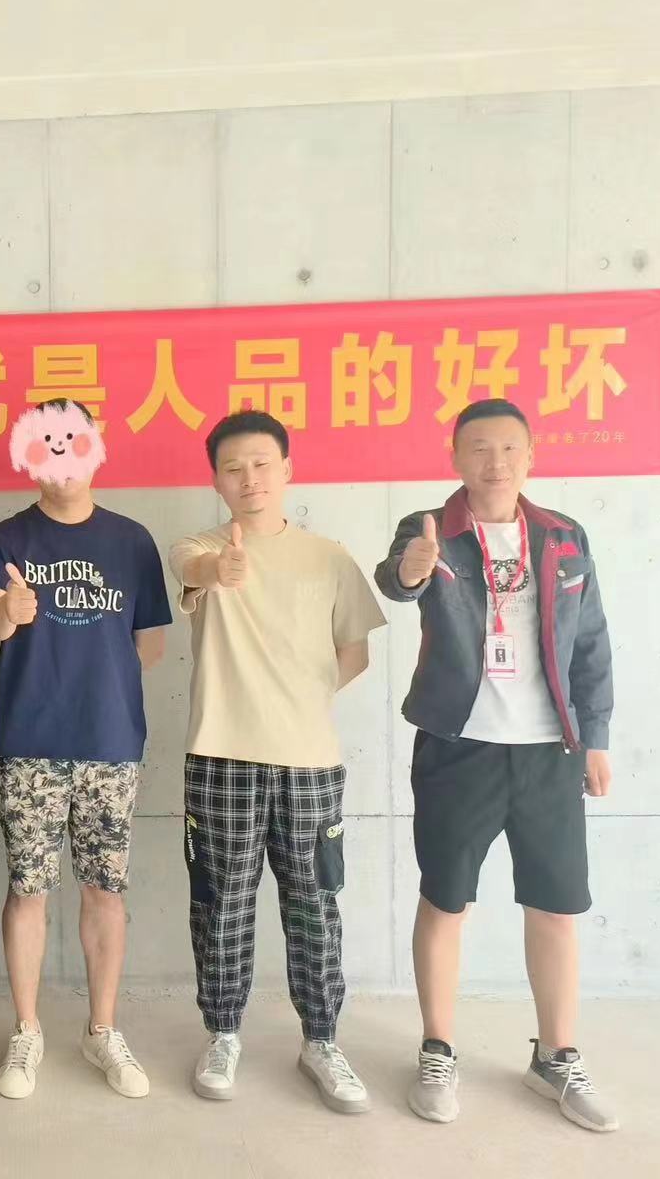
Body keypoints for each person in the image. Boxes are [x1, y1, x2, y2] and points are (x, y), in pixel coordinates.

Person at [375, 398, 617, 1132]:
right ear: (455, 457)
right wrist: (412, 570)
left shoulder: (564, 536)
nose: (495, 461)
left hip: (550, 751)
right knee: (446, 900)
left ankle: (557, 1056)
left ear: (531, 455)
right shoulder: (430, 527)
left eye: (509, 447)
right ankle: (438, 1049)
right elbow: (396, 578)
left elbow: (590, 642)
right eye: (479, 448)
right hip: (459, 747)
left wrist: (596, 737)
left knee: (556, 905)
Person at [169, 411, 387, 1113]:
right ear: (216, 480)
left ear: (287, 470)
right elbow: (193, 571)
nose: (250, 478)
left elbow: (355, 651)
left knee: (315, 904)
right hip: (221, 756)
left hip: (309, 761)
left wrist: (300, 696)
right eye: (233, 468)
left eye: (262, 463)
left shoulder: (329, 557)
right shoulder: (201, 546)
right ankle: (222, 1034)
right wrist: (220, 569)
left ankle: (321, 1040)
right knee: (220, 902)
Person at [0, 400, 172, 1101]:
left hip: (111, 745)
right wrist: (11, 612)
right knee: (28, 888)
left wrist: (97, 686)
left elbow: (151, 642)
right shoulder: (3, 537)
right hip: (29, 743)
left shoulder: (134, 541)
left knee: (104, 890)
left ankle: (101, 1030)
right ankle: (26, 1029)